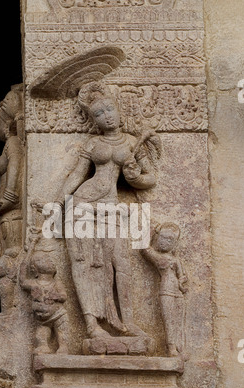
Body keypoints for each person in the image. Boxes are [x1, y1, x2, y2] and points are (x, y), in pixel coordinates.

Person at [52, 81, 161, 340]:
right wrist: (58, 203)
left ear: (119, 110)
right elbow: (77, 175)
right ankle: (92, 325)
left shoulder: (133, 142)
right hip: (83, 203)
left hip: (111, 205)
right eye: (98, 114)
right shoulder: (92, 144)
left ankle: (128, 322)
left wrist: (134, 177)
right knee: (83, 263)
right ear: (93, 121)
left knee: (121, 263)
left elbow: (150, 178)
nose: (106, 117)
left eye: (109, 110)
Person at [141, 223, 188, 357]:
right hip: (166, 290)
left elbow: (182, 275)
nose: (164, 242)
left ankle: (181, 348)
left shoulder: (175, 259)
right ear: (157, 238)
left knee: (179, 320)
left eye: (169, 240)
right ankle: (171, 348)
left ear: (174, 243)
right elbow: (144, 249)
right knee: (168, 320)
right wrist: (152, 230)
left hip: (177, 291)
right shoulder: (157, 257)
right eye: (162, 237)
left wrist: (182, 282)